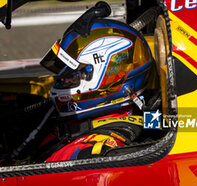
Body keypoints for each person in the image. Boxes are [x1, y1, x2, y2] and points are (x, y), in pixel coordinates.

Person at [39, 12, 155, 162]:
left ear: (104, 78)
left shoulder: (86, 153)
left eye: (71, 76)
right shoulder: (79, 125)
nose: (63, 81)